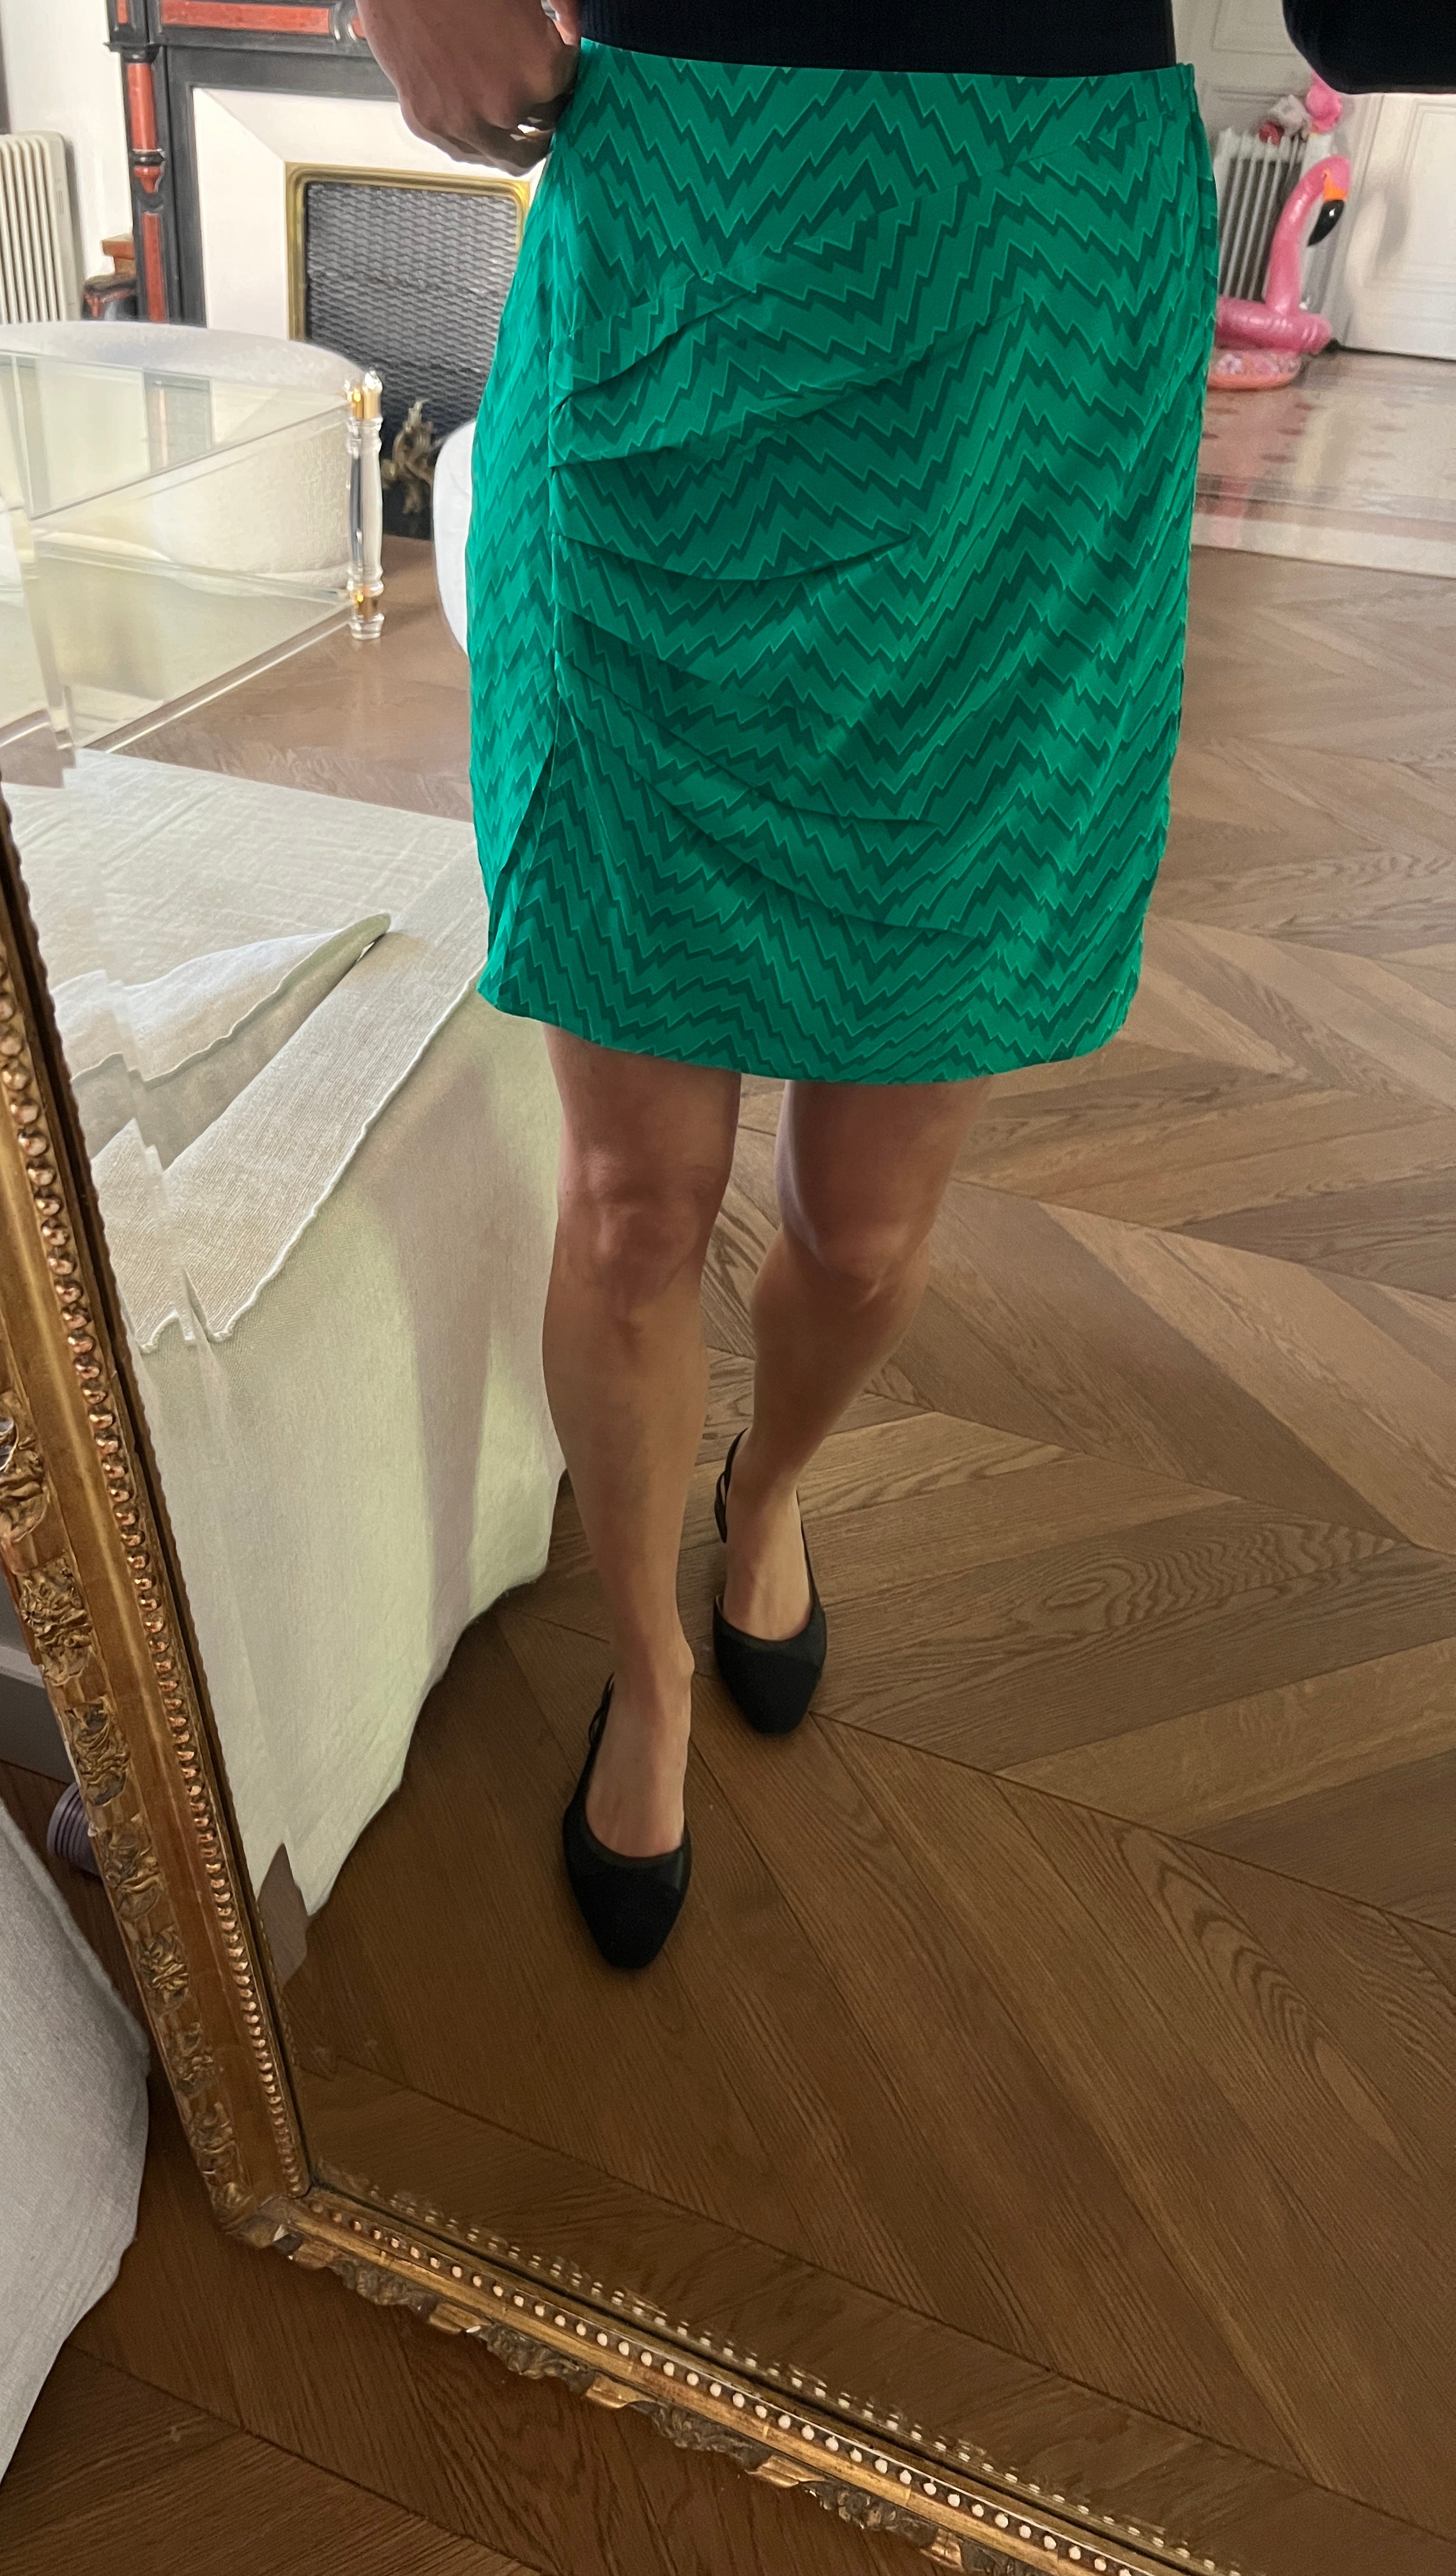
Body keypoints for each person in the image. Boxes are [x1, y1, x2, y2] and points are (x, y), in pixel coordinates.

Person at [358, 0, 1213, 1966]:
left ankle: (769, 1492)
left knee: (868, 1225)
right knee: (628, 1202)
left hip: (1036, 324)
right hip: (678, 249)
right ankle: (647, 1667)